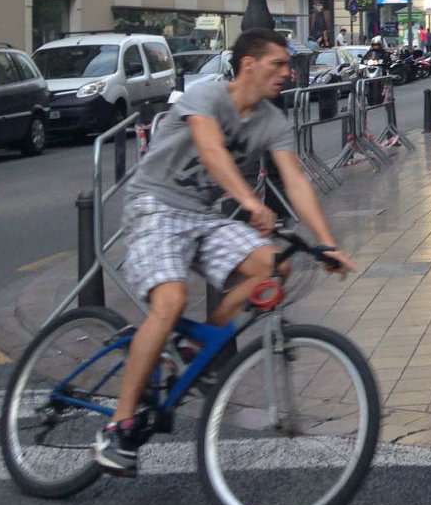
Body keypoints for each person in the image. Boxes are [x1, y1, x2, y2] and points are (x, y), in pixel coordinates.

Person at [93, 28, 356, 476]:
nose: (287, 72)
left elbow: (295, 181)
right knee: (171, 300)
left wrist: (326, 242)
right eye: (279, 63)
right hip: (155, 205)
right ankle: (118, 426)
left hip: (202, 216)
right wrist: (251, 202)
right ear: (249, 64)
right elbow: (212, 151)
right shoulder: (207, 95)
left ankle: (198, 344)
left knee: (274, 264)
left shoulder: (272, 120)